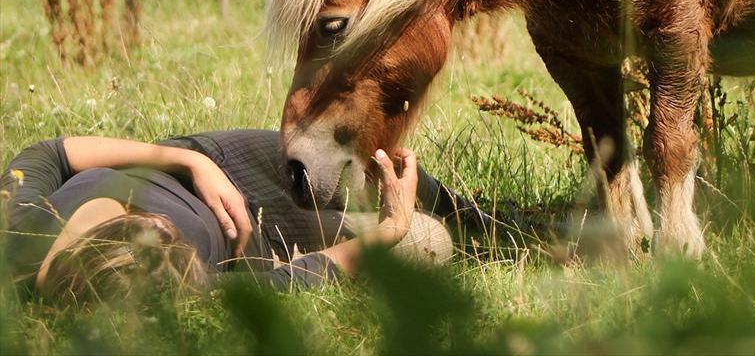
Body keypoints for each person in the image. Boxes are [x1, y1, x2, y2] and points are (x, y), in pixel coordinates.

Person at [0, 129, 507, 303]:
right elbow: (300, 275)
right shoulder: (177, 287)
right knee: (424, 240)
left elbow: (51, 152)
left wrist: (188, 161)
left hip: (214, 160)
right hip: (263, 236)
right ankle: (495, 238)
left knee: (349, 151)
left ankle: (487, 219)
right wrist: (392, 228)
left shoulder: (19, 231)